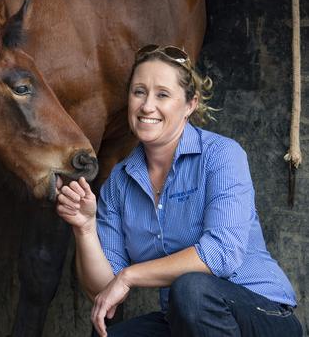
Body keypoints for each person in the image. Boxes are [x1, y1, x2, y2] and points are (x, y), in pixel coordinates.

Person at [56, 44, 302, 337]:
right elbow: (104, 288)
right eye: (139, 92)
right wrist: (85, 227)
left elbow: (220, 254)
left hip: (263, 314)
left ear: (190, 104)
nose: (147, 106)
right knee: (108, 333)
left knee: (191, 288)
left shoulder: (221, 155)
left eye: (162, 94)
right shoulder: (119, 182)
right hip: (186, 318)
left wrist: (130, 276)